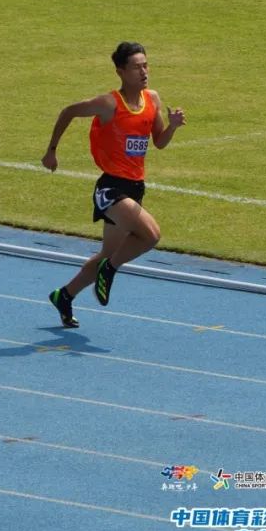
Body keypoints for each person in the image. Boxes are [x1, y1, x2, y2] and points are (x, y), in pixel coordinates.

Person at [41, 41, 185, 327]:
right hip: (111, 189)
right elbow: (68, 111)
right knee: (152, 235)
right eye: (136, 67)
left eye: (146, 65)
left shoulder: (152, 99)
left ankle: (65, 295)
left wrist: (172, 127)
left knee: (107, 255)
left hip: (135, 187)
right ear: (121, 71)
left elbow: (159, 142)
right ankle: (111, 269)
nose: (144, 72)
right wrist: (52, 150)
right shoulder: (108, 104)